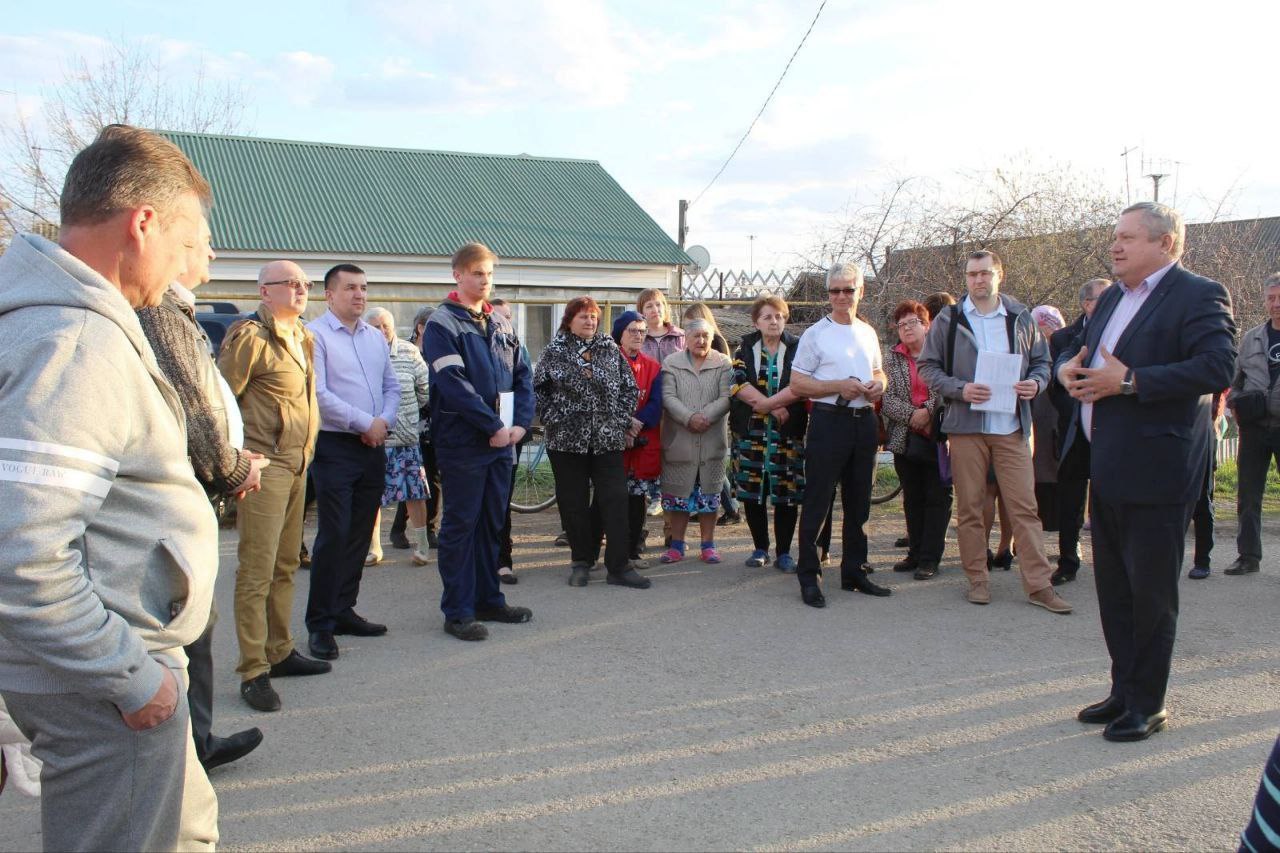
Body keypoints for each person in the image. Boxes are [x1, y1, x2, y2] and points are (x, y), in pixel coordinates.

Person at [0, 125, 219, 849]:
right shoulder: (73, 341)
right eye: (186, 240)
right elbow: (23, 553)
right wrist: (129, 677)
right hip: (106, 682)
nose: (191, 269)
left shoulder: (78, 323)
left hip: (119, 663)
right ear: (143, 222)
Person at [1057, 201, 1235, 742]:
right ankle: (1123, 689)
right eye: (1115, 236)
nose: (1115, 245)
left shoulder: (1198, 294)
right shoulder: (1111, 297)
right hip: (1107, 465)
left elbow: (1218, 366)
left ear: (1166, 244)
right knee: (1114, 590)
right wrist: (1069, 367)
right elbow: (1086, 355)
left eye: (1128, 237)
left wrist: (1130, 381)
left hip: (1159, 469)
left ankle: (1149, 703)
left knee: (1151, 592)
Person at [136, 218, 268, 764]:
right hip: (183, 501)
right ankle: (189, 750)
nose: (213, 253)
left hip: (198, 493)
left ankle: (195, 743)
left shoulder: (176, 311)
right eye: (204, 244)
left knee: (195, 631)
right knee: (187, 630)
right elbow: (194, 411)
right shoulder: (162, 314)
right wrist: (233, 469)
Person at [918, 250, 1072, 614]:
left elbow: (1042, 363)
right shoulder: (949, 318)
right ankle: (978, 579)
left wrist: (1035, 383)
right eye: (972, 275)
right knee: (971, 508)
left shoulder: (1019, 316)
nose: (978, 281)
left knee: (1025, 508)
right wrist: (959, 388)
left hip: (1010, 426)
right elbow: (928, 366)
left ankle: (1039, 585)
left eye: (985, 274)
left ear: (999, 275)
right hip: (966, 428)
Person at [219, 261, 331, 712]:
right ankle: (252, 669)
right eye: (292, 284)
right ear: (266, 292)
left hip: (299, 464)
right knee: (256, 570)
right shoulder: (249, 337)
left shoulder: (302, 335)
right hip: (264, 466)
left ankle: (279, 650)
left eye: (306, 284)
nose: (302, 290)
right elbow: (221, 402)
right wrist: (235, 462)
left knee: (286, 564)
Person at [423, 242, 535, 641]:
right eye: (476, 273)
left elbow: (523, 375)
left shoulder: (501, 323)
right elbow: (453, 385)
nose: (484, 280)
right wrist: (492, 426)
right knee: (461, 526)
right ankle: (458, 610)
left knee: (491, 524)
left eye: (488, 273)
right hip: (464, 444)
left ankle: (490, 598)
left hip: (503, 441)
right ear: (458, 275)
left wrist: (520, 425)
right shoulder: (442, 324)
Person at [304, 263, 399, 661]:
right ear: (329, 295)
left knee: (360, 533)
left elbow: (392, 386)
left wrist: (382, 423)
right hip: (335, 447)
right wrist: (366, 423)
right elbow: (319, 394)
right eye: (349, 288)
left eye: (363, 288)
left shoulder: (375, 338)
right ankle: (321, 623)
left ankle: (344, 609)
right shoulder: (315, 335)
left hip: (372, 447)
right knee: (335, 534)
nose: (359, 295)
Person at [789, 263, 892, 607]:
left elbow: (878, 370)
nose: (841, 297)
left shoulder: (867, 331)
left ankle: (855, 571)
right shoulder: (816, 334)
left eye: (848, 290)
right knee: (819, 500)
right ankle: (809, 574)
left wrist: (880, 384)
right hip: (828, 420)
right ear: (828, 294)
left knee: (859, 500)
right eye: (835, 290)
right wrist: (838, 386)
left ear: (860, 291)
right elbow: (798, 383)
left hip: (863, 421)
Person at [534, 297, 648, 588]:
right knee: (573, 503)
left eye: (594, 317)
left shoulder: (609, 349)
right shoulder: (554, 351)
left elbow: (629, 388)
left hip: (606, 438)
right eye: (583, 316)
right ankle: (581, 561)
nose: (589, 322)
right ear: (569, 320)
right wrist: (553, 417)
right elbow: (538, 391)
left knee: (615, 499)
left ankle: (618, 567)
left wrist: (620, 419)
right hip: (566, 440)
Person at [729, 295, 807, 572]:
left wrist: (768, 405)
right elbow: (737, 382)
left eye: (779, 316)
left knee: (786, 492)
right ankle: (760, 547)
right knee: (753, 491)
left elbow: (802, 383)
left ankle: (784, 552)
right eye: (768, 317)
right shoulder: (745, 346)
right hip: (751, 433)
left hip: (788, 433)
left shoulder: (799, 347)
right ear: (757, 321)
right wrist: (771, 408)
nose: (774, 322)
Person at [882, 299, 951, 581]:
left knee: (938, 497)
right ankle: (915, 552)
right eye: (901, 324)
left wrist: (928, 412)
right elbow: (885, 397)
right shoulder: (891, 358)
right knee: (912, 497)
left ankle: (929, 558)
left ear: (927, 325)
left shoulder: (942, 354)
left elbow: (947, 387)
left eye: (913, 322)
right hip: (904, 436)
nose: (907, 328)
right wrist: (913, 415)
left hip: (939, 437)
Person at [1049, 278, 1112, 585]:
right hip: (1074, 427)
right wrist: (1076, 401)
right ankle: (1067, 561)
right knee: (1071, 498)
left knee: (1108, 497)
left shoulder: (1120, 331)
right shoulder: (1063, 337)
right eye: (1104, 297)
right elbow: (1054, 386)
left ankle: (1110, 561)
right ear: (1087, 304)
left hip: (1111, 429)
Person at [658, 318, 733, 564]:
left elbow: (726, 396)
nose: (701, 341)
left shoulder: (722, 363)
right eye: (696, 336)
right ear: (686, 339)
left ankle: (708, 545)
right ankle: (677, 545)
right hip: (680, 440)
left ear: (712, 338)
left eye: (705, 336)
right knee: (679, 496)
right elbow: (668, 397)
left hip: (712, 440)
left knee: (709, 496)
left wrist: (707, 416)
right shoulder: (671, 363)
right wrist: (689, 417)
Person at [365, 308, 432, 566]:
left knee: (415, 493)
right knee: (372, 495)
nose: (381, 331)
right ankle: (374, 547)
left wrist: (411, 416)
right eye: (375, 326)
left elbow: (426, 389)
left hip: (405, 437)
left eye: (385, 326)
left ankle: (423, 545)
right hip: (373, 438)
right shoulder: (362, 352)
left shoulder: (408, 351)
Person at [1224, 272, 1280, 578]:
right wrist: (1236, 401)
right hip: (1255, 427)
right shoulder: (1252, 338)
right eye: (1271, 298)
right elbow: (1235, 379)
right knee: (1248, 494)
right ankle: (1248, 556)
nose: (1276, 304)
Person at [610, 310, 664, 570]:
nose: (638, 335)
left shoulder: (653, 367)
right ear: (620, 334)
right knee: (609, 500)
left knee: (636, 501)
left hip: (640, 442)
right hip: (612, 442)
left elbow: (656, 403)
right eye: (632, 330)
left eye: (642, 331)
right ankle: (603, 553)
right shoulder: (608, 361)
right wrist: (622, 426)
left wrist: (635, 426)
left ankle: (632, 551)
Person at [682, 302, 741, 526]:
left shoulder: (715, 343)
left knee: (711, 462)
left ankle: (731, 508)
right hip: (701, 408)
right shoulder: (712, 340)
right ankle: (711, 506)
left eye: (691, 321)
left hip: (711, 409)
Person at [391, 306, 442, 551]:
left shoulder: (440, 349)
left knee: (430, 479)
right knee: (412, 481)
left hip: (435, 424)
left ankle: (429, 529)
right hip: (410, 425)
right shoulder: (406, 352)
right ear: (420, 327)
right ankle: (398, 529)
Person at [491, 298, 529, 584]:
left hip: (510, 435)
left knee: (502, 499)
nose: (505, 323)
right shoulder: (479, 345)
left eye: (508, 317)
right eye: (499, 317)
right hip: (479, 435)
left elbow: (525, 386)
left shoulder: (517, 347)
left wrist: (521, 425)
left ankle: (503, 559)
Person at [1030, 304, 1066, 529]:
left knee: (1061, 483)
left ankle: (1070, 543)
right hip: (1031, 425)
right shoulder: (1027, 351)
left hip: (1056, 426)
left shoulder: (1067, 349)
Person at [638, 287, 686, 364]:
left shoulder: (681, 336)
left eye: (658, 304)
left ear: (664, 308)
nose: (655, 310)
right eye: (649, 306)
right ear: (641, 312)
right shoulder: (637, 338)